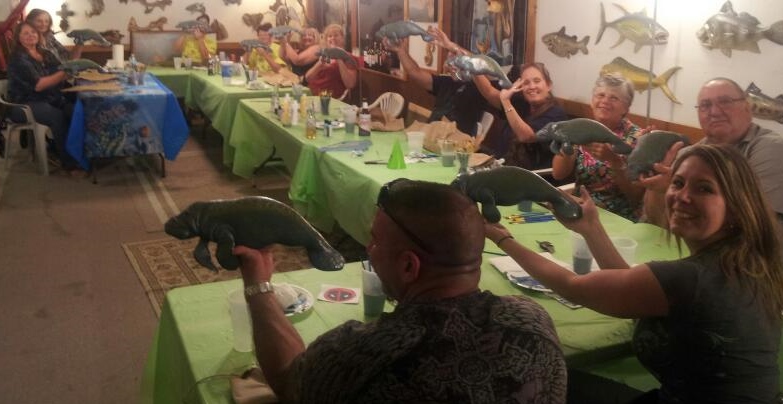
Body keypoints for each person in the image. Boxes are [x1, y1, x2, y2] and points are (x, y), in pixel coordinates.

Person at [488, 143, 783, 403]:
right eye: (678, 183)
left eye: (704, 188)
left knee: (535, 374)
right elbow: (631, 291)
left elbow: (573, 285)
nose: (682, 196)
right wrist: (591, 228)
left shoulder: (690, 278)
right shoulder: (750, 262)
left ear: (736, 206)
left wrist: (502, 238)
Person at [233, 179, 567, 402]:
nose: (369, 248)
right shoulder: (533, 321)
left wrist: (258, 283)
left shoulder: (361, 353)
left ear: (409, 266)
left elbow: (289, 381)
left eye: (375, 240)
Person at [641, 77, 783, 236]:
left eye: (725, 102)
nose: (714, 112)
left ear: (747, 109)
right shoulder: (687, 154)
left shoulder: (772, 148)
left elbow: (759, 224)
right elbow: (656, 222)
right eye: (705, 105)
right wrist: (658, 189)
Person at [552, 73, 645, 221]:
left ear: (626, 108)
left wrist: (614, 160)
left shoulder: (637, 138)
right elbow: (558, 174)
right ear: (592, 101)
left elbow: (636, 196)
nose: (605, 101)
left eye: (614, 98)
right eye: (600, 95)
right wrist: (568, 142)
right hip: (579, 210)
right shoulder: (582, 128)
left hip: (617, 217)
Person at [385, 27, 496, 137]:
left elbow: (489, 71)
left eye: (455, 56)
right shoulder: (445, 82)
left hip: (457, 142)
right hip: (431, 136)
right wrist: (401, 50)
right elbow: (414, 72)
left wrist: (451, 46)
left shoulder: (479, 87)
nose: (451, 61)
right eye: (449, 56)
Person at [6, 22, 83, 176]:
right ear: (18, 38)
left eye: (33, 32)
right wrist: (65, 72)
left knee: (75, 110)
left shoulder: (45, 53)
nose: (30, 35)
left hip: (48, 98)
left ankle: (73, 152)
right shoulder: (18, 58)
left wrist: (72, 68)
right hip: (23, 104)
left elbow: (62, 70)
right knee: (57, 117)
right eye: (25, 33)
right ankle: (69, 165)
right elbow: (39, 85)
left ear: (38, 35)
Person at [473, 61, 567, 169]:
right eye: (526, 83)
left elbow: (527, 136)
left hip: (529, 175)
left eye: (537, 81)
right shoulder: (523, 103)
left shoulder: (556, 113)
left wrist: (506, 101)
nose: (532, 86)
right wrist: (472, 67)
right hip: (500, 165)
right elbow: (489, 92)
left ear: (549, 85)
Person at [305, 24, 360, 99]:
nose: (333, 38)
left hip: (327, 99)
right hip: (310, 94)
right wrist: (319, 65)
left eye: (336, 35)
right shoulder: (325, 56)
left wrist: (339, 57)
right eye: (330, 36)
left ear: (342, 38)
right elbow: (308, 78)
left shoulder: (349, 58)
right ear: (326, 40)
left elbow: (350, 84)